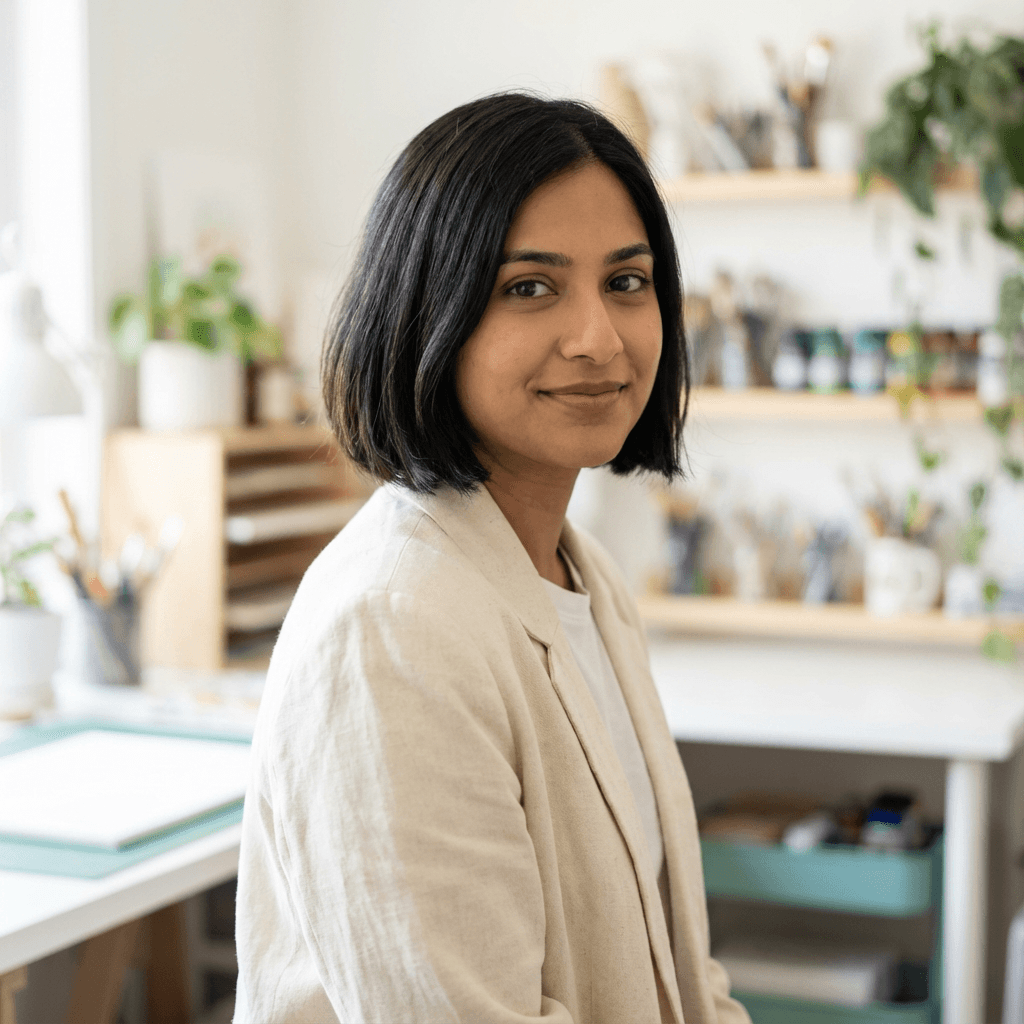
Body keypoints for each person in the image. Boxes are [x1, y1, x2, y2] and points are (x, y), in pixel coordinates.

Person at [233, 92, 749, 1024]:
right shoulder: (390, 629)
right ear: (428, 310)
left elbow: (680, 970)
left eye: (627, 282)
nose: (597, 337)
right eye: (529, 287)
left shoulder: (581, 576)